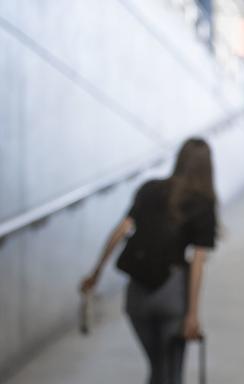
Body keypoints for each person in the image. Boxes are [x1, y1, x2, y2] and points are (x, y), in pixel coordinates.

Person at [80, 138, 218, 384]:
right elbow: (198, 260)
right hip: (171, 292)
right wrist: (193, 314)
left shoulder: (150, 188)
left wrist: (96, 273)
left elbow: (122, 229)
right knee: (171, 372)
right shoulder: (203, 203)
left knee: (157, 366)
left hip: (137, 293)